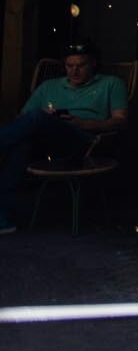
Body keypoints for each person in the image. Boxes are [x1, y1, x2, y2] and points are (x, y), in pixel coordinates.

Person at [0, 40, 129, 233]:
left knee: (35, 119)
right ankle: (4, 220)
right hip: (45, 141)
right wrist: (48, 119)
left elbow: (121, 121)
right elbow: (22, 119)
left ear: (93, 63)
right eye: (69, 66)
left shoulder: (111, 84)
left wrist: (81, 123)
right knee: (23, 142)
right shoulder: (48, 86)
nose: (74, 71)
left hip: (83, 141)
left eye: (81, 66)